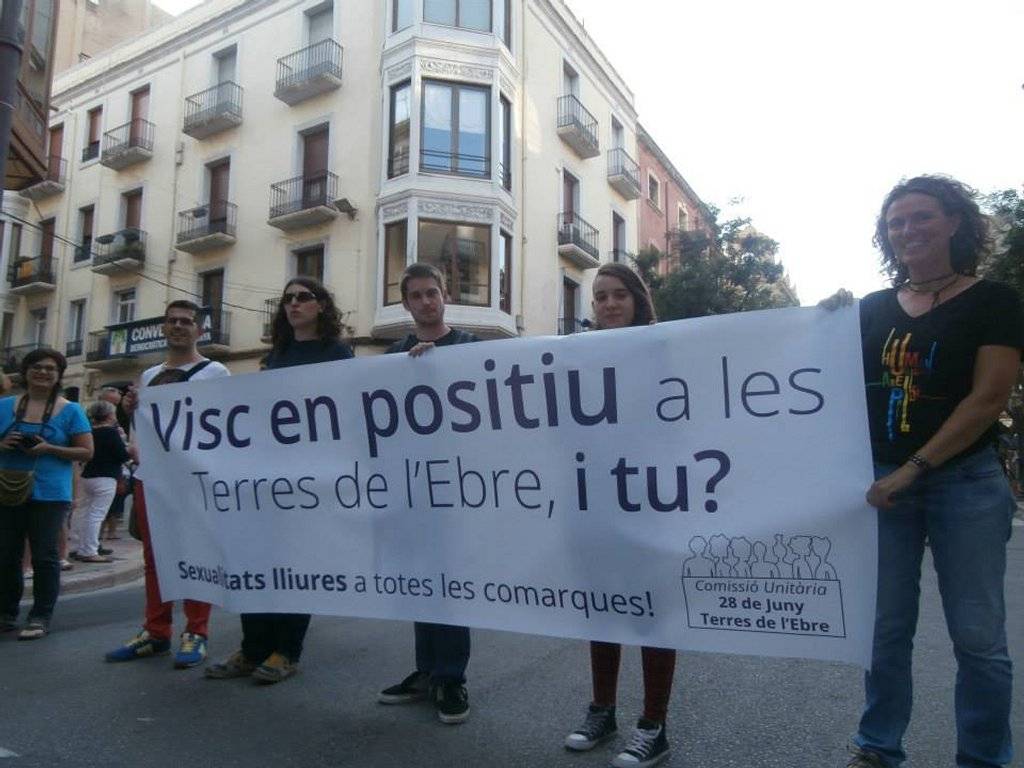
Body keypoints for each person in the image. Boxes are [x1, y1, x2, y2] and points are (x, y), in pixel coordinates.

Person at [844, 176, 1022, 768]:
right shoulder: (869, 308)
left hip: (962, 483)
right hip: (881, 485)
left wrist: (915, 468)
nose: (907, 231)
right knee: (884, 631)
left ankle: (983, 759)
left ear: (953, 223)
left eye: (921, 217)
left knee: (978, 640)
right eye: (896, 222)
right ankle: (878, 746)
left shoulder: (994, 301)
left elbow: (988, 398)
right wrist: (819, 323)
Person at [206, 277, 353, 685]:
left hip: (308, 479)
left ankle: (286, 651)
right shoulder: (277, 356)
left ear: (322, 305)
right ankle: (251, 648)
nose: (293, 304)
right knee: (259, 560)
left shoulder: (337, 354)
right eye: (288, 299)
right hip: (265, 477)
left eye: (303, 297)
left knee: (295, 565)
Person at [562, 263, 673, 768]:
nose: (608, 304)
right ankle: (602, 710)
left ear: (637, 300)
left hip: (651, 502)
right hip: (595, 501)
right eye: (600, 297)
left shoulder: (663, 348)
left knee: (652, 616)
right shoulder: (575, 356)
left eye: (619, 295)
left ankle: (654, 725)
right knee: (602, 610)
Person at [376, 263, 479, 725]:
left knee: (451, 583)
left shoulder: (469, 348)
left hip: (458, 491)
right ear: (406, 303)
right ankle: (427, 671)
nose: (425, 302)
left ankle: (452, 676)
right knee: (420, 582)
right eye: (416, 295)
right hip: (411, 491)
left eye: (432, 293)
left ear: (445, 296)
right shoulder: (396, 356)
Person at [104, 300, 230, 668]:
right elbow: (144, 429)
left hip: (192, 479)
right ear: (163, 327)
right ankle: (155, 631)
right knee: (154, 557)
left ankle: (196, 631)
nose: (178, 326)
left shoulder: (215, 372)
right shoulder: (148, 374)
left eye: (186, 321)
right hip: (151, 478)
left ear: (199, 330)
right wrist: (131, 417)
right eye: (172, 321)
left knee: (195, 552)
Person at [0, 349, 93, 639]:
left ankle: (40, 615)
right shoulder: (4, 406)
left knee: (45, 556)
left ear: (58, 375)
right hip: (8, 489)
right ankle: (6, 613)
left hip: (50, 493)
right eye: (37, 367)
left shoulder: (71, 410)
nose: (43, 373)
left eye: (51, 369)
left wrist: (49, 448)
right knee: (6, 555)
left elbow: (87, 451)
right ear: (26, 372)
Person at [68, 400, 133, 563]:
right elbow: (122, 455)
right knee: (97, 514)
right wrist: (126, 444)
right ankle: (89, 550)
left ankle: (77, 546)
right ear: (110, 415)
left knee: (81, 513)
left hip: (87, 475)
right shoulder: (111, 433)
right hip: (105, 477)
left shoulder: (88, 431)